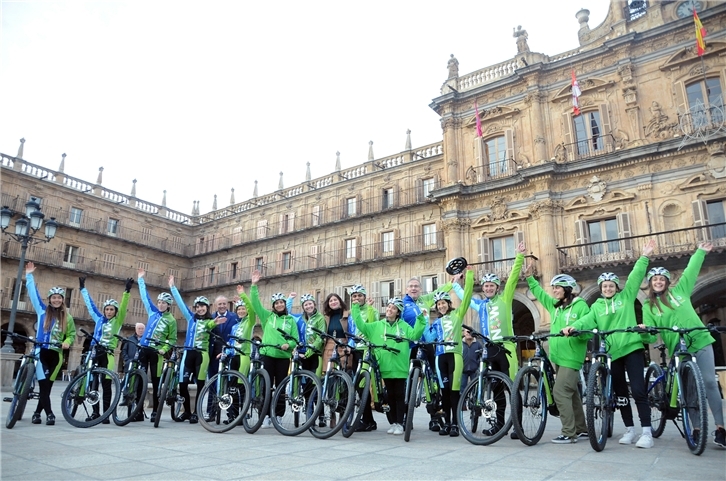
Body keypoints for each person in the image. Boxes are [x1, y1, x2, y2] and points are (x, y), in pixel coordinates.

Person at [564, 239, 655, 449]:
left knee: (639, 391)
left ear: (616, 287)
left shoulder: (626, 296)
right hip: (613, 353)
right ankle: (630, 430)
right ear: (601, 288)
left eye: (611, 286)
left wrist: (644, 256)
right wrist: (573, 327)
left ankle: (647, 432)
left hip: (632, 348)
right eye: (604, 286)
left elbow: (634, 277)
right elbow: (586, 320)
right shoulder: (596, 306)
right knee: (620, 394)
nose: (608, 288)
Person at [639, 242, 725, 448]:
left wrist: (700, 252)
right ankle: (696, 428)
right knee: (689, 391)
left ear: (667, 282)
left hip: (700, 340)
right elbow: (652, 336)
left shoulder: (681, 292)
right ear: (650, 284)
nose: (658, 282)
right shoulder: (649, 306)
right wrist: (645, 332)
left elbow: (691, 270)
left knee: (710, 382)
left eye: (662, 279)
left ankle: (721, 428)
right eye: (655, 280)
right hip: (678, 349)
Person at [525, 270, 590, 443]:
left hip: (572, 356)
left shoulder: (580, 305)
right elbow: (539, 294)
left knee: (560, 392)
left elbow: (588, 325)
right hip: (558, 357)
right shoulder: (555, 306)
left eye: (557, 288)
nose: (554, 290)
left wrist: (575, 328)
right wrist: (529, 277)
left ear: (567, 289)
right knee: (572, 393)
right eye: (553, 288)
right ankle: (582, 429)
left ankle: (569, 432)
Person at [351, 297, 427, 435]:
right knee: (389, 395)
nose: (389, 309)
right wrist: (355, 308)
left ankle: (400, 423)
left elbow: (415, 334)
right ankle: (393, 423)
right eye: (388, 307)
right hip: (384, 367)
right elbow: (361, 325)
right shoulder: (377, 325)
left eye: (393, 308)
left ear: (398, 312)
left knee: (399, 394)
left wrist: (421, 319)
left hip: (400, 367)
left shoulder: (404, 326)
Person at [423, 268, 474, 437]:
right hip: (440, 357)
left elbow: (466, 298)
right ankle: (446, 423)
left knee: (454, 390)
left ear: (449, 304)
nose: (441, 306)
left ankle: (455, 424)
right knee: (444, 391)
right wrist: (422, 320)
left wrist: (469, 278)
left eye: (444, 302)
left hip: (455, 355)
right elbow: (429, 338)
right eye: (438, 304)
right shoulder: (436, 322)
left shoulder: (457, 315)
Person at [24, 262, 76, 426]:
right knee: (43, 384)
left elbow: (72, 335)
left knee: (48, 386)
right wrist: (29, 276)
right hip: (41, 352)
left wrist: (67, 342)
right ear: (50, 299)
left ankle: (37, 414)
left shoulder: (68, 317)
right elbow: (33, 294)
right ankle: (50, 414)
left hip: (57, 355)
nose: (56, 300)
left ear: (62, 300)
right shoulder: (42, 310)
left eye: (59, 298)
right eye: (54, 298)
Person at [169, 276, 224, 424]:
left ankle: (196, 412)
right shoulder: (190, 318)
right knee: (183, 384)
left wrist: (216, 321)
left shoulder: (209, 321)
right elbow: (180, 304)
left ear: (207, 307)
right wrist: (173, 287)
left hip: (202, 354)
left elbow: (211, 325)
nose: (200, 308)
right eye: (198, 306)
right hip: (188, 353)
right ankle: (187, 411)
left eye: (203, 306)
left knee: (200, 385)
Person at [79, 275, 133, 424]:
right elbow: (90, 305)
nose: (109, 312)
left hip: (108, 354)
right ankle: (95, 413)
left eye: (111, 309)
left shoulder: (118, 319)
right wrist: (83, 289)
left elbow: (123, 305)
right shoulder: (99, 318)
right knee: (94, 383)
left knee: (106, 384)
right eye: (107, 309)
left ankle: (106, 414)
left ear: (115, 311)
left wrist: (127, 291)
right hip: (95, 352)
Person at [249, 269, 299, 428]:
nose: (279, 304)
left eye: (281, 302)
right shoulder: (267, 317)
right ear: (273, 306)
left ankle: (278, 415)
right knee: (266, 386)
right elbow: (255, 304)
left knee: (281, 388)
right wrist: (254, 285)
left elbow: (295, 339)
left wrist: (289, 345)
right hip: (268, 355)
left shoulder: (290, 319)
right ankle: (264, 416)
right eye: (276, 303)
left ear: (284, 304)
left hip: (283, 357)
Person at [402, 276, 452, 431]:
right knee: (407, 381)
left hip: (428, 343)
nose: (414, 288)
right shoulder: (402, 304)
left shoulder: (425, 300)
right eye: (411, 286)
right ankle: (406, 418)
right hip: (409, 344)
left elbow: (441, 291)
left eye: (416, 286)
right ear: (406, 289)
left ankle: (435, 418)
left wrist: (454, 281)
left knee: (434, 380)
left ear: (420, 289)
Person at [137, 268, 178, 423]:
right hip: (144, 348)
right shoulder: (152, 312)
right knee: (140, 380)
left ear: (168, 305)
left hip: (157, 352)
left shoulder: (172, 320)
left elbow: (172, 339)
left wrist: (164, 349)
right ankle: (138, 411)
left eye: (164, 303)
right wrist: (141, 279)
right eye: (159, 302)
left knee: (155, 381)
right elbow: (144, 297)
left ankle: (155, 411)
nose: (160, 305)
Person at [346, 284, 379, 432]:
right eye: (354, 296)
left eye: (359, 295)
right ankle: (368, 420)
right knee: (359, 387)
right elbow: (352, 332)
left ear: (364, 297)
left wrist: (371, 308)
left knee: (362, 384)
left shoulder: (373, 310)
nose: (357, 298)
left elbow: (373, 327)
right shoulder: (353, 313)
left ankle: (368, 419)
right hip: (355, 351)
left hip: (367, 350)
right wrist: (349, 345)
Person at [208, 295, 239, 380]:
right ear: (215, 305)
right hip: (213, 354)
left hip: (229, 352)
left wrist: (240, 304)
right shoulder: (210, 318)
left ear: (227, 304)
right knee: (212, 379)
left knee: (228, 379)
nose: (222, 306)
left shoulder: (235, 317)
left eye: (224, 304)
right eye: (219, 304)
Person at [322, 293, 350, 373]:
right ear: (328, 304)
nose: (333, 302)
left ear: (340, 301)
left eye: (335, 300)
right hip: (329, 347)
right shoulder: (326, 317)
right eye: (330, 301)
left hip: (343, 346)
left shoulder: (348, 315)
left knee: (344, 373)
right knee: (329, 374)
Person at [461, 327, 482, 393]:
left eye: (470, 332)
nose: (468, 333)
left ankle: (473, 402)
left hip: (474, 370)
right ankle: (462, 402)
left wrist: (478, 366)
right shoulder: (460, 344)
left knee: (475, 389)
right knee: (462, 389)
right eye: (467, 332)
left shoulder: (478, 344)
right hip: (462, 370)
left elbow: (482, 356)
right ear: (464, 333)